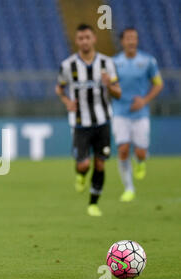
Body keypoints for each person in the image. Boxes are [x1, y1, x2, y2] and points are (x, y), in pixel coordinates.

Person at [55, 24, 121, 216]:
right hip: (80, 123)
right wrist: (67, 101)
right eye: (81, 38)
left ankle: (93, 203)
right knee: (84, 164)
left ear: (94, 39)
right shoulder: (68, 65)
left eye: (87, 37)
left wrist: (110, 86)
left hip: (103, 121)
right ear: (77, 41)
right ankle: (81, 175)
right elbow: (59, 88)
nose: (84, 41)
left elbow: (118, 93)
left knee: (100, 163)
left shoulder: (107, 63)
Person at [112, 27, 163, 202]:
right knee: (123, 149)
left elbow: (158, 84)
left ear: (137, 40)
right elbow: (110, 86)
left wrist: (144, 100)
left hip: (140, 113)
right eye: (128, 38)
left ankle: (141, 161)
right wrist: (108, 87)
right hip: (120, 112)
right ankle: (129, 188)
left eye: (134, 38)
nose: (131, 41)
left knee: (140, 152)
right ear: (122, 41)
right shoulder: (115, 63)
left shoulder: (148, 61)